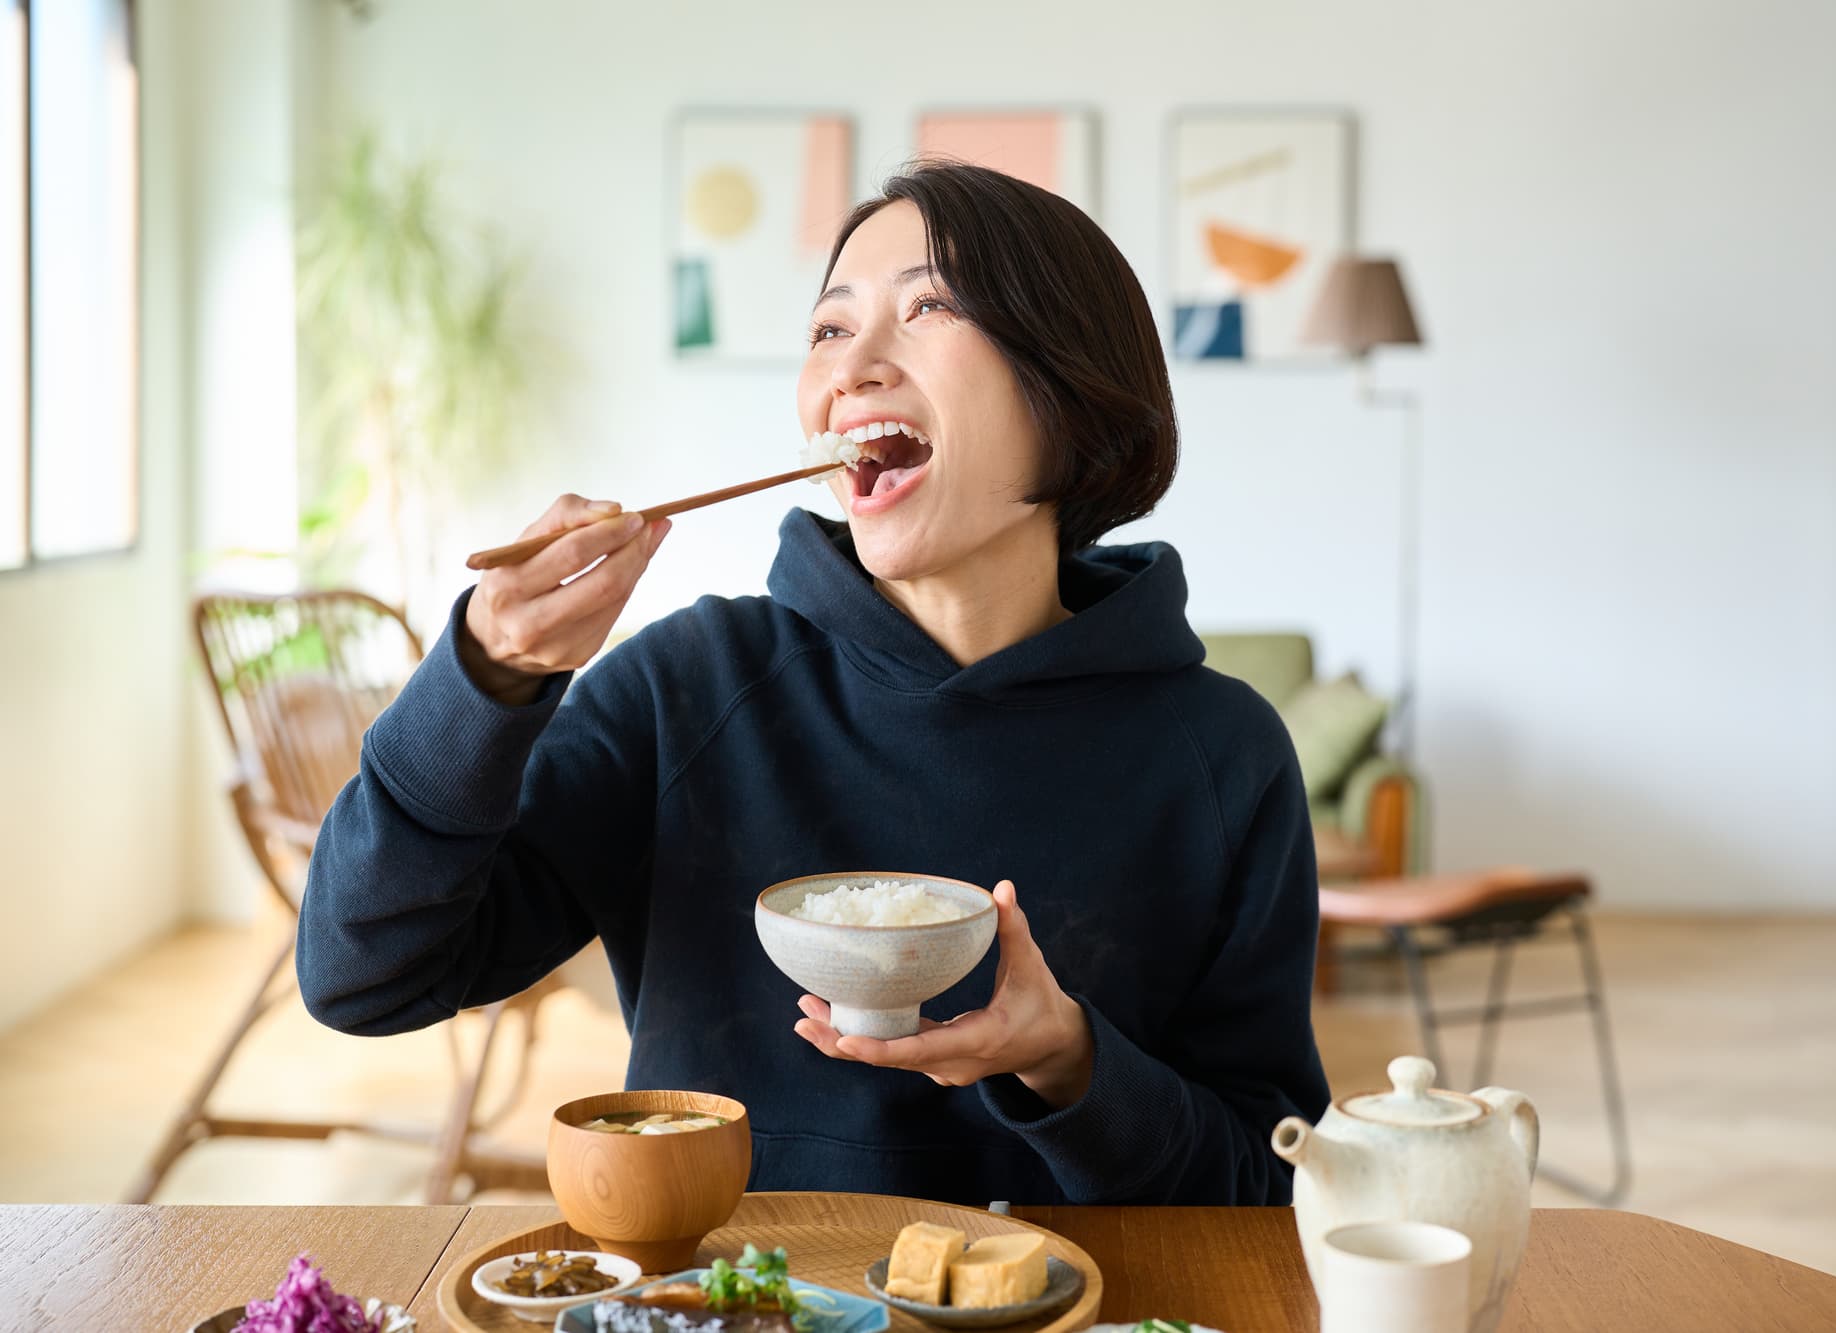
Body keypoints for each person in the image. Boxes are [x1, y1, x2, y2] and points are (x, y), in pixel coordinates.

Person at [297, 160, 1330, 1205]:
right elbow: (363, 976)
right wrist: (487, 677)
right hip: (731, 1304)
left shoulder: (1221, 753)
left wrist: (1070, 1060)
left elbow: (1261, 1184)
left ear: (1067, 389)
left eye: (929, 306)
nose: (855, 365)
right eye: (830, 329)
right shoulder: (686, 690)